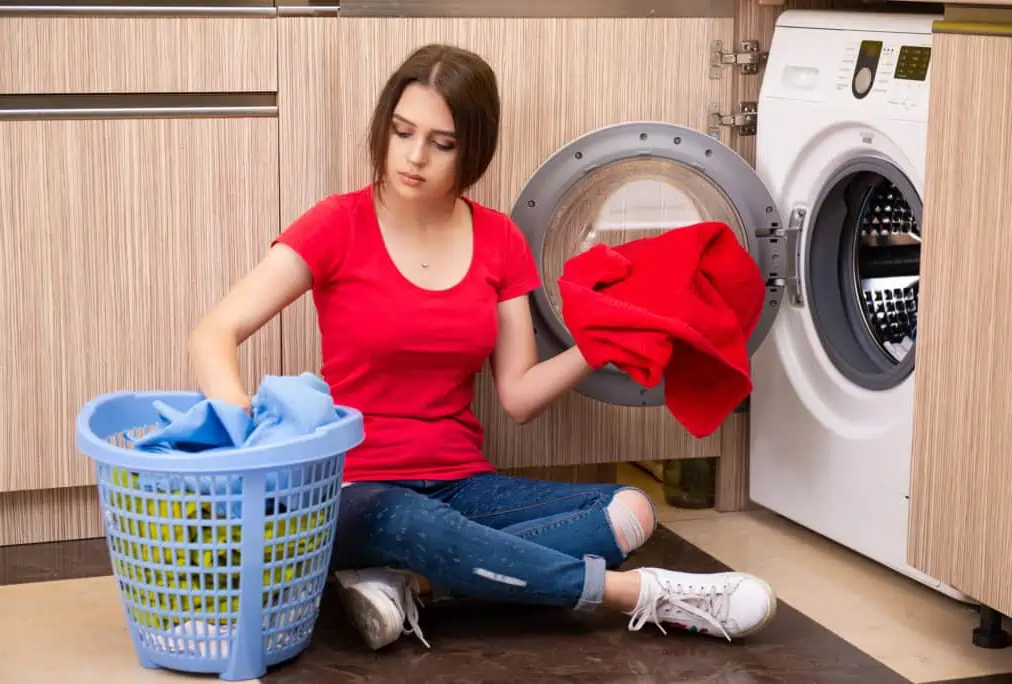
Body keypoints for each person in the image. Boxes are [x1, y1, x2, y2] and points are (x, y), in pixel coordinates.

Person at [188, 42, 778, 651]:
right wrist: (247, 443)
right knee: (407, 520)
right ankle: (644, 594)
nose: (414, 157)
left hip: (462, 484)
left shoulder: (498, 240)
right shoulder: (337, 224)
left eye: (441, 143)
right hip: (353, 489)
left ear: (473, 149)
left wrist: (597, 345)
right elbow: (214, 332)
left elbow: (517, 396)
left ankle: (417, 580)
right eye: (402, 132)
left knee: (631, 511)